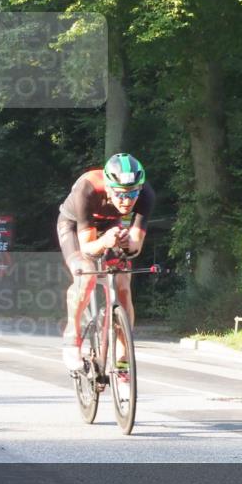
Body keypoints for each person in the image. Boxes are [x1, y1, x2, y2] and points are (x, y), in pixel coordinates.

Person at [57, 153, 155, 372]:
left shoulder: (146, 194)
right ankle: (72, 337)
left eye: (132, 194)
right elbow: (88, 247)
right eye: (120, 195)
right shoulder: (87, 189)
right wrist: (105, 241)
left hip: (111, 227)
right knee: (86, 273)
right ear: (109, 188)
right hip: (74, 228)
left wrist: (125, 242)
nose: (127, 201)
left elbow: (136, 246)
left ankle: (122, 357)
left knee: (123, 285)